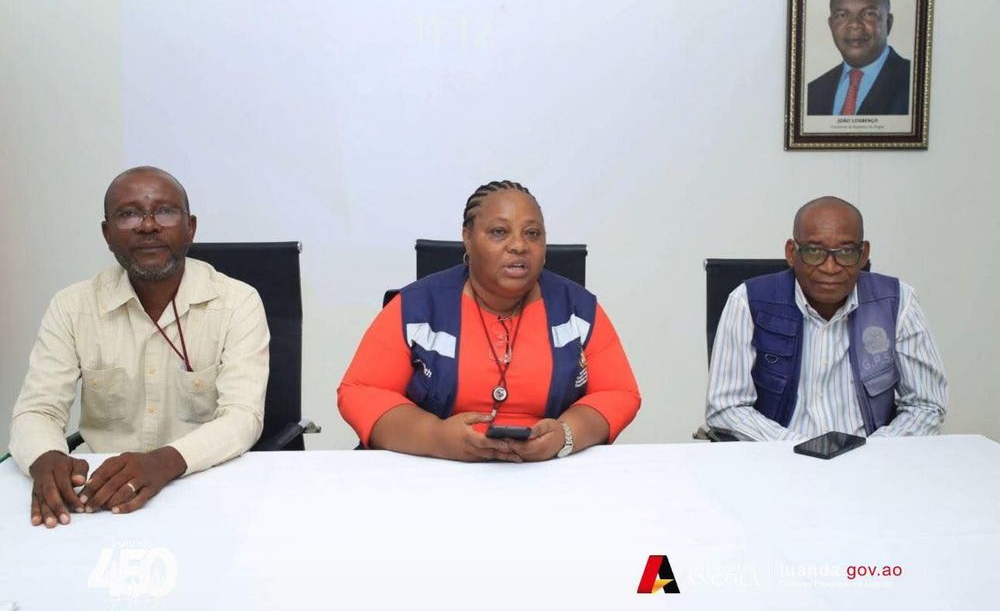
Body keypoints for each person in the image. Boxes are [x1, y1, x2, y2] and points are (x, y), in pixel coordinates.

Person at [8, 166, 269, 528]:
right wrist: (46, 456)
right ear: (107, 234)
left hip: (207, 492)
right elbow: (37, 410)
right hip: (100, 498)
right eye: (129, 214)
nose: (148, 226)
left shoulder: (237, 303)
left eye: (165, 212)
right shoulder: (72, 307)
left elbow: (242, 417)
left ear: (190, 228)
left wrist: (163, 462)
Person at [338, 180, 640, 461]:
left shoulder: (577, 309)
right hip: (434, 471)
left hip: (548, 474)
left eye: (532, 233)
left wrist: (565, 435)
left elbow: (618, 392)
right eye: (499, 231)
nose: (519, 245)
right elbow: (361, 391)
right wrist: (437, 437)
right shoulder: (417, 307)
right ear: (467, 239)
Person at [705, 196, 947, 441]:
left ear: (863, 254)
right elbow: (727, 407)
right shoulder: (746, 301)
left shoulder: (898, 302)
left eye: (845, 252)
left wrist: (871, 451)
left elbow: (926, 405)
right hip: (778, 456)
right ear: (791, 252)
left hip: (872, 458)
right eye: (814, 251)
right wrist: (795, 447)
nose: (830, 268)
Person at [806, 0, 911, 116]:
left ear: (888, 23)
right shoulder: (813, 92)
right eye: (842, 15)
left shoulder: (914, 82)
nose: (854, 24)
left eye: (868, 14)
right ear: (831, 25)